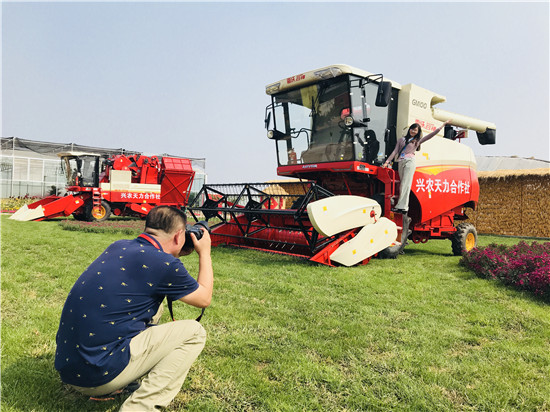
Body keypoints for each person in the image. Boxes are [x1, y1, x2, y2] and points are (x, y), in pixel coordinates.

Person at [54, 206, 213, 411]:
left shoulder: (118, 246)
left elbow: (149, 269)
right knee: (194, 333)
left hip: (70, 370)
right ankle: (139, 407)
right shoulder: (166, 265)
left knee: (154, 310)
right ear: (179, 235)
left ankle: (121, 384)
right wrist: (205, 253)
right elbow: (204, 298)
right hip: (97, 377)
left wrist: (175, 250)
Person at [383, 120, 452, 213]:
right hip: (401, 162)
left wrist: (443, 125)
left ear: (418, 132)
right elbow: (395, 151)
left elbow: (431, 135)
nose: (413, 131)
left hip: (410, 162)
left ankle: (403, 207)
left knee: (405, 184)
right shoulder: (401, 139)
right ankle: (401, 206)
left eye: (415, 130)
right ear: (409, 129)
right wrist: (387, 162)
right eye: (412, 129)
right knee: (401, 184)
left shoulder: (417, 141)